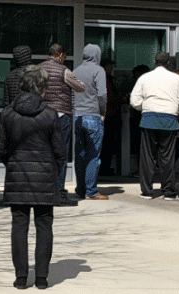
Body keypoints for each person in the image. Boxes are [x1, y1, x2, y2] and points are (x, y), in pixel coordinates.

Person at [0, 65, 66, 291]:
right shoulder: (50, 114)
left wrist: (13, 165)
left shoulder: (8, 113)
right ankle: (42, 277)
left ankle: (21, 277)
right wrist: (52, 170)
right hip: (44, 175)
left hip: (18, 174)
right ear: (43, 88)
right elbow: (60, 151)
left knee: (19, 226)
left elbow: (0, 149)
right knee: (44, 225)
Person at [130, 53, 179, 200]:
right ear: (168, 63)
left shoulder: (144, 77)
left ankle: (147, 191)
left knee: (147, 157)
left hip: (149, 119)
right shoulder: (176, 78)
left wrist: (144, 108)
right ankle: (168, 191)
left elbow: (134, 100)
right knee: (167, 157)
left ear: (155, 62)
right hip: (169, 120)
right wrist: (176, 109)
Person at [41, 44, 85, 201]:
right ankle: (59, 190)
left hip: (42, 115)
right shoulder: (64, 71)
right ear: (60, 55)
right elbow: (80, 87)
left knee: (44, 152)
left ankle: (44, 188)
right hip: (61, 115)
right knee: (61, 153)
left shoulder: (39, 69)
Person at [72, 44, 108, 200]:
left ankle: (80, 190)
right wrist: (102, 112)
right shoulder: (98, 70)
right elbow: (102, 95)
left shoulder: (75, 71)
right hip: (93, 116)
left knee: (80, 155)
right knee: (93, 156)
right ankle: (91, 191)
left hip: (78, 117)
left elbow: (72, 95)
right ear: (96, 55)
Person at [99, 57, 122, 176]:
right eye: (109, 66)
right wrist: (121, 100)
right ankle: (104, 168)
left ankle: (104, 167)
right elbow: (109, 97)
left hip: (108, 115)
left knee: (107, 143)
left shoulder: (107, 79)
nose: (112, 68)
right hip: (107, 116)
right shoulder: (104, 79)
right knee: (106, 144)